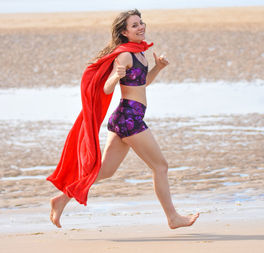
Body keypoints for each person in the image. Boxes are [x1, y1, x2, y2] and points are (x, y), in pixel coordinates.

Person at [48, 9, 199, 229]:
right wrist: (115, 76)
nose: (141, 27)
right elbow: (108, 88)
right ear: (124, 32)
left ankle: (61, 199)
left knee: (106, 171)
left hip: (124, 119)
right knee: (160, 166)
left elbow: (142, 83)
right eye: (135, 25)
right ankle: (173, 217)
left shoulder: (139, 52)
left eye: (141, 23)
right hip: (130, 119)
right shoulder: (125, 54)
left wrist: (158, 67)